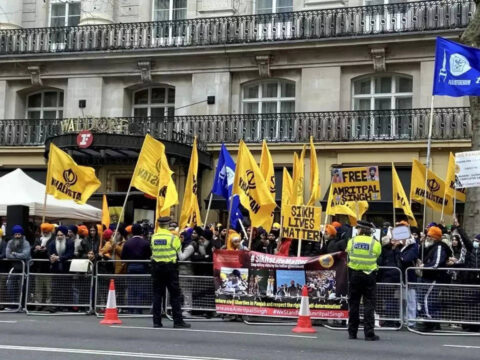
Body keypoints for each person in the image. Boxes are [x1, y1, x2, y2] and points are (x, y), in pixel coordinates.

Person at [151, 216, 190, 329]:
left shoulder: (154, 237)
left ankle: (156, 322)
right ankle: (177, 321)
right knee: (175, 295)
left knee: (157, 295)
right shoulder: (173, 238)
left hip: (157, 268)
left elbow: (152, 252)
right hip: (170, 269)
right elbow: (181, 256)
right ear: (168, 225)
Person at [346, 220, 381, 341]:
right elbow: (377, 255)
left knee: (354, 304)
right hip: (369, 275)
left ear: (360, 230)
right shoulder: (374, 243)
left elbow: (349, 254)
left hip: (354, 275)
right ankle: (369, 333)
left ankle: (352, 332)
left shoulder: (352, 241)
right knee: (369, 304)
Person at [416, 226, 452, 332]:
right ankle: (433, 321)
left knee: (427, 298)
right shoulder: (431, 246)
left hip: (435, 277)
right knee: (428, 299)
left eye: (429, 236)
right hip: (429, 276)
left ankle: (430, 321)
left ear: (434, 237)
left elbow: (436, 263)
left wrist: (424, 267)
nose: (427, 237)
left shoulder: (439, 247)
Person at [121, 223, 152, 314]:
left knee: (131, 288)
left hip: (131, 267)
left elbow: (123, 257)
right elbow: (149, 255)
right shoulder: (145, 243)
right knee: (140, 288)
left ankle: (131, 308)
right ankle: (139, 309)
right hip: (142, 266)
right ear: (141, 231)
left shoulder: (128, 243)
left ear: (132, 232)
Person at [47, 226, 74, 312]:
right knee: (55, 288)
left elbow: (70, 254)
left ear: (65, 235)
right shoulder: (52, 243)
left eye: (61, 235)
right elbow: (49, 253)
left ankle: (66, 306)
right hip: (55, 269)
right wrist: (51, 258)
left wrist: (59, 258)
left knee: (66, 288)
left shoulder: (70, 242)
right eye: (58, 235)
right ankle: (55, 305)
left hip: (66, 268)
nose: (59, 237)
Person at [31, 223, 55, 310]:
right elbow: (32, 252)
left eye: (46, 232)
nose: (45, 233)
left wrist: (46, 250)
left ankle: (48, 304)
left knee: (48, 288)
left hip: (48, 267)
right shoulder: (38, 239)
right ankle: (38, 304)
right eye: (44, 232)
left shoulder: (53, 240)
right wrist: (36, 248)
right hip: (38, 267)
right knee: (38, 288)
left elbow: (53, 251)